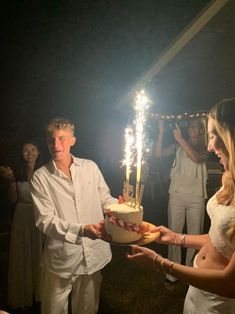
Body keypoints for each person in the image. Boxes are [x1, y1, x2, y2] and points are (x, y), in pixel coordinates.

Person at [128, 98, 235, 313]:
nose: (209, 144)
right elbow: (219, 239)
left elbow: (230, 283)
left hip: (218, 300)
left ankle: (180, 272)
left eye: (213, 135)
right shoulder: (230, 179)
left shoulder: (197, 150)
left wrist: (160, 263)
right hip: (198, 293)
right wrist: (176, 238)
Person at [30, 117, 117, 314]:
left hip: (93, 254)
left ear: (73, 140)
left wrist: (125, 209)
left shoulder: (90, 167)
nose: (56, 145)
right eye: (51, 140)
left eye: (62, 138)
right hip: (62, 258)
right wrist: (82, 230)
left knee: (87, 309)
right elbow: (46, 221)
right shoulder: (40, 178)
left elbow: (105, 199)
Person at [155, 118, 208, 286]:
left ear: (200, 130)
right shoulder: (178, 146)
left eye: (194, 126)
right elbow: (158, 153)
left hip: (196, 197)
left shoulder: (204, 146)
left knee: (194, 237)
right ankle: (173, 273)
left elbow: (197, 158)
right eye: (189, 126)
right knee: (173, 235)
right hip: (177, 194)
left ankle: (190, 275)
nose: (190, 129)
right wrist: (162, 133)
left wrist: (180, 139)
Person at [0, 140, 43, 310]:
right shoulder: (16, 172)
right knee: (22, 252)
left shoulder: (45, 171)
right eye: (25, 150)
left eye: (32, 149)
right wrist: (10, 181)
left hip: (39, 216)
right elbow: (13, 200)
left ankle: (38, 292)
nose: (29, 153)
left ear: (38, 152)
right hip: (21, 214)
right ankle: (23, 293)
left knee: (37, 252)